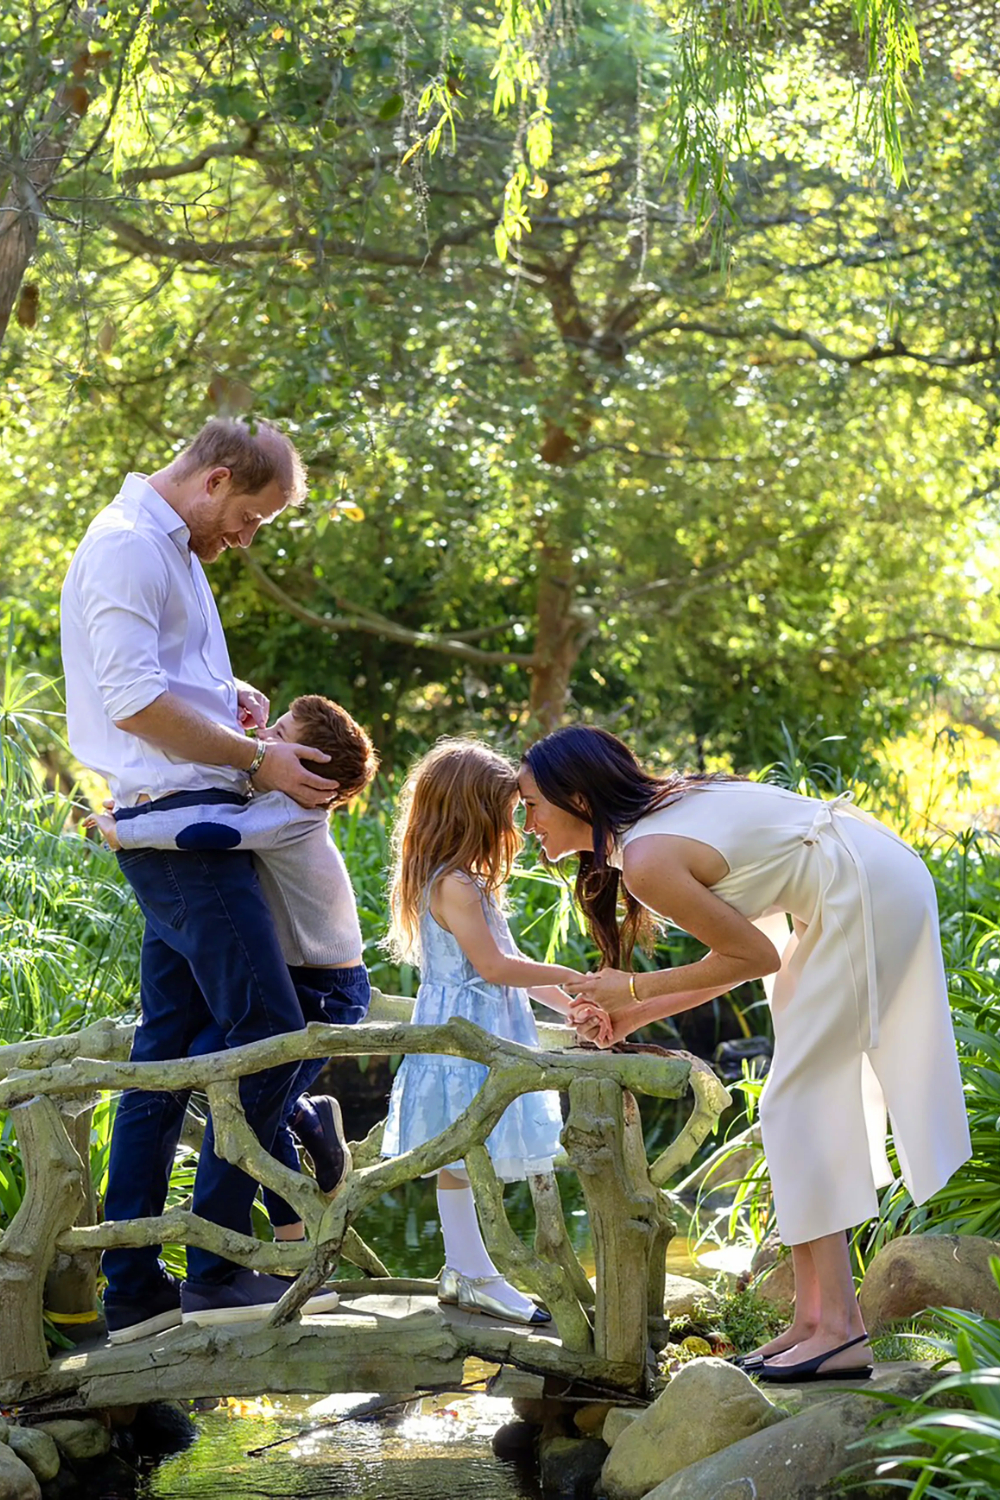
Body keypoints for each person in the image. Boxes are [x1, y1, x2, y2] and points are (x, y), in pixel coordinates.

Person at [518, 725, 972, 1382]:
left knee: (797, 1101)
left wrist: (633, 988)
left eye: (531, 803)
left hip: (867, 892)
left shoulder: (646, 858)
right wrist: (629, 1011)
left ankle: (840, 1330)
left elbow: (755, 956)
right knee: (798, 1102)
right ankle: (814, 1321)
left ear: (579, 800)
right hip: (865, 879)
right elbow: (730, 964)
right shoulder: (663, 821)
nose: (526, 821)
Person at [61, 418, 349, 1341]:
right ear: (217, 478)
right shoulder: (128, 549)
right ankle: (219, 1267)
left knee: (165, 1061)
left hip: (184, 831)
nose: (246, 539)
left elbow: (167, 686)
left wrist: (229, 705)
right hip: (189, 843)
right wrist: (258, 761)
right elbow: (132, 703)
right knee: (267, 1033)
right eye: (251, 518)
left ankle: (136, 1293)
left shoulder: (174, 548)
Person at [84, 693, 379, 1263]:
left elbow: (211, 830)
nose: (264, 738)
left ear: (309, 768)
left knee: (251, 1096)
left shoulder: (289, 814)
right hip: (301, 978)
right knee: (224, 1073)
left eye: (281, 733)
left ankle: (287, 1235)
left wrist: (128, 829)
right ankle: (304, 1123)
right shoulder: (268, 793)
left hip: (329, 991)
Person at [380, 739, 584, 1324]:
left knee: (472, 1154)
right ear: (473, 813)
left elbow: (510, 962)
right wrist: (573, 972)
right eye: (507, 811)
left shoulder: (469, 881)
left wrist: (571, 1003)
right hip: (464, 1041)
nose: (516, 824)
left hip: (483, 1032)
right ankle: (474, 1272)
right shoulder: (454, 885)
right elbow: (494, 969)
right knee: (465, 1152)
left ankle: (465, 1267)